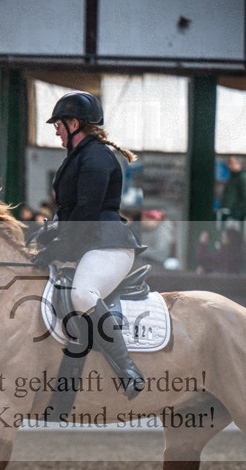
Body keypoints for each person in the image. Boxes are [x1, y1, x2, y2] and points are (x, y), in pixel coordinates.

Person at [31, 90, 146, 400]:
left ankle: (127, 370)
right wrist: (49, 231)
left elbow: (86, 212)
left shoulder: (96, 157)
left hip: (108, 246)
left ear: (74, 123)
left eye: (58, 124)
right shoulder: (78, 157)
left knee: (82, 295)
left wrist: (56, 248)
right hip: (87, 244)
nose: (55, 130)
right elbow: (70, 211)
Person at [219, 155, 246, 222]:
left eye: (231, 163)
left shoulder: (243, 177)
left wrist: (236, 211)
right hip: (227, 212)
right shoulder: (232, 177)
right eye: (228, 163)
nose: (228, 165)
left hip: (235, 214)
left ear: (238, 164)